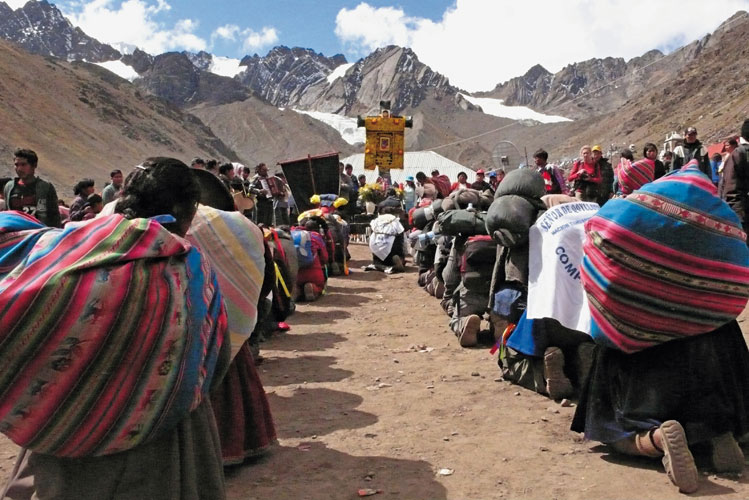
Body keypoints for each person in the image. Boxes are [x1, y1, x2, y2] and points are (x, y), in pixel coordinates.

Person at [1, 157, 230, 499]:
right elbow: (216, 357)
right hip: (161, 444)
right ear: (184, 210)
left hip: (62, 431)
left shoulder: (67, 246)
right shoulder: (189, 268)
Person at [572, 160, 749, 493]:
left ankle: (653, 440)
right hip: (713, 356)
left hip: (644, 361)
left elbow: (596, 250)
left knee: (609, 428)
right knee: (722, 330)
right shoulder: (716, 217)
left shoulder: (629, 214)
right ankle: (721, 433)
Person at [2, 149, 62, 228]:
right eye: (16, 165)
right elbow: (7, 213)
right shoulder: (9, 187)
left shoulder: (45, 187)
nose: (19, 169)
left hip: (38, 232)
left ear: (34, 165)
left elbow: (54, 216)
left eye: (23, 165)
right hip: (16, 232)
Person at [718, 133, 749, 233]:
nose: (725, 147)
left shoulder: (738, 154)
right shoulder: (736, 155)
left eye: (727, 145)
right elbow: (729, 182)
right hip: (739, 203)